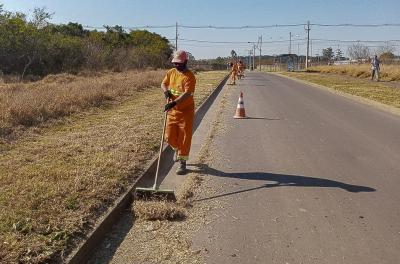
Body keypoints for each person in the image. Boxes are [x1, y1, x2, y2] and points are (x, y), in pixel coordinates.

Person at [161, 50, 196, 175]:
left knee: (184, 138)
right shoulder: (171, 72)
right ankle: (177, 150)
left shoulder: (189, 76)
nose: (177, 65)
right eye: (175, 63)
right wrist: (166, 91)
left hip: (186, 112)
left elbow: (187, 94)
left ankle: (182, 162)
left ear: (185, 62)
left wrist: (174, 103)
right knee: (169, 137)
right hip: (172, 111)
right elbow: (163, 83)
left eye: (179, 63)